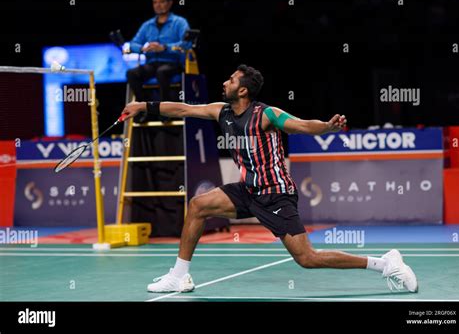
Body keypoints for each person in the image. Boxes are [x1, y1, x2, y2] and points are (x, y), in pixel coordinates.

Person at [121, 64, 418, 294]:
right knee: (199, 205)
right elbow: (184, 109)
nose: (225, 82)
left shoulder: (266, 114)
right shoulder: (221, 112)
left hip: (276, 194)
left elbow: (300, 125)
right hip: (247, 190)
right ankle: (178, 276)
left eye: (232, 80)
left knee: (306, 258)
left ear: (243, 91)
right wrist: (143, 106)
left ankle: (384, 263)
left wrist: (326, 127)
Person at [126, 0, 190, 102]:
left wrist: (165, 47)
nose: (158, 5)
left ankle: (165, 111)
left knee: (162, 72)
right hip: (152, 64)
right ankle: (145, 107)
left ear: (170, 3)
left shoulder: (179, 22)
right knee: (131, 73)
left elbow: (186, 44)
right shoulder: (147, 25)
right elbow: (132, 44)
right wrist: (142, 48)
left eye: (161, 1)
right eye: (155, 2)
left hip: (173, 63)